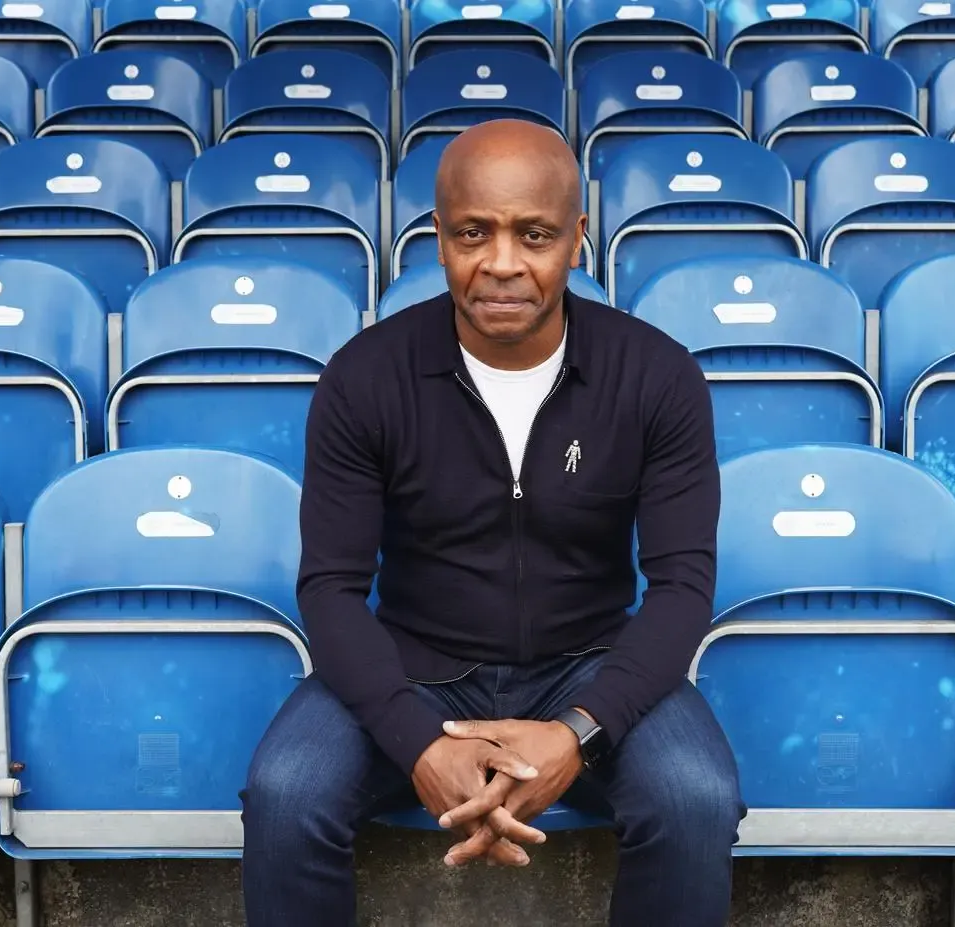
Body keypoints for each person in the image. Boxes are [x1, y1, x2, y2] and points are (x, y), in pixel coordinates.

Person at [240, 118, 745, 926]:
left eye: (534, 234)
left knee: (696, 797)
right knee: (285, 793)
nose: (502, 263)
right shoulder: (365, 377)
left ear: (577, 239)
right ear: (437, 237)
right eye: (473, 232)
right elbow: (331, 589)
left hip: (589, 662)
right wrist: (420, 745)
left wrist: (577, 732)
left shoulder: (656, 375)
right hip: (414, 660)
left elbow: (685, 585)